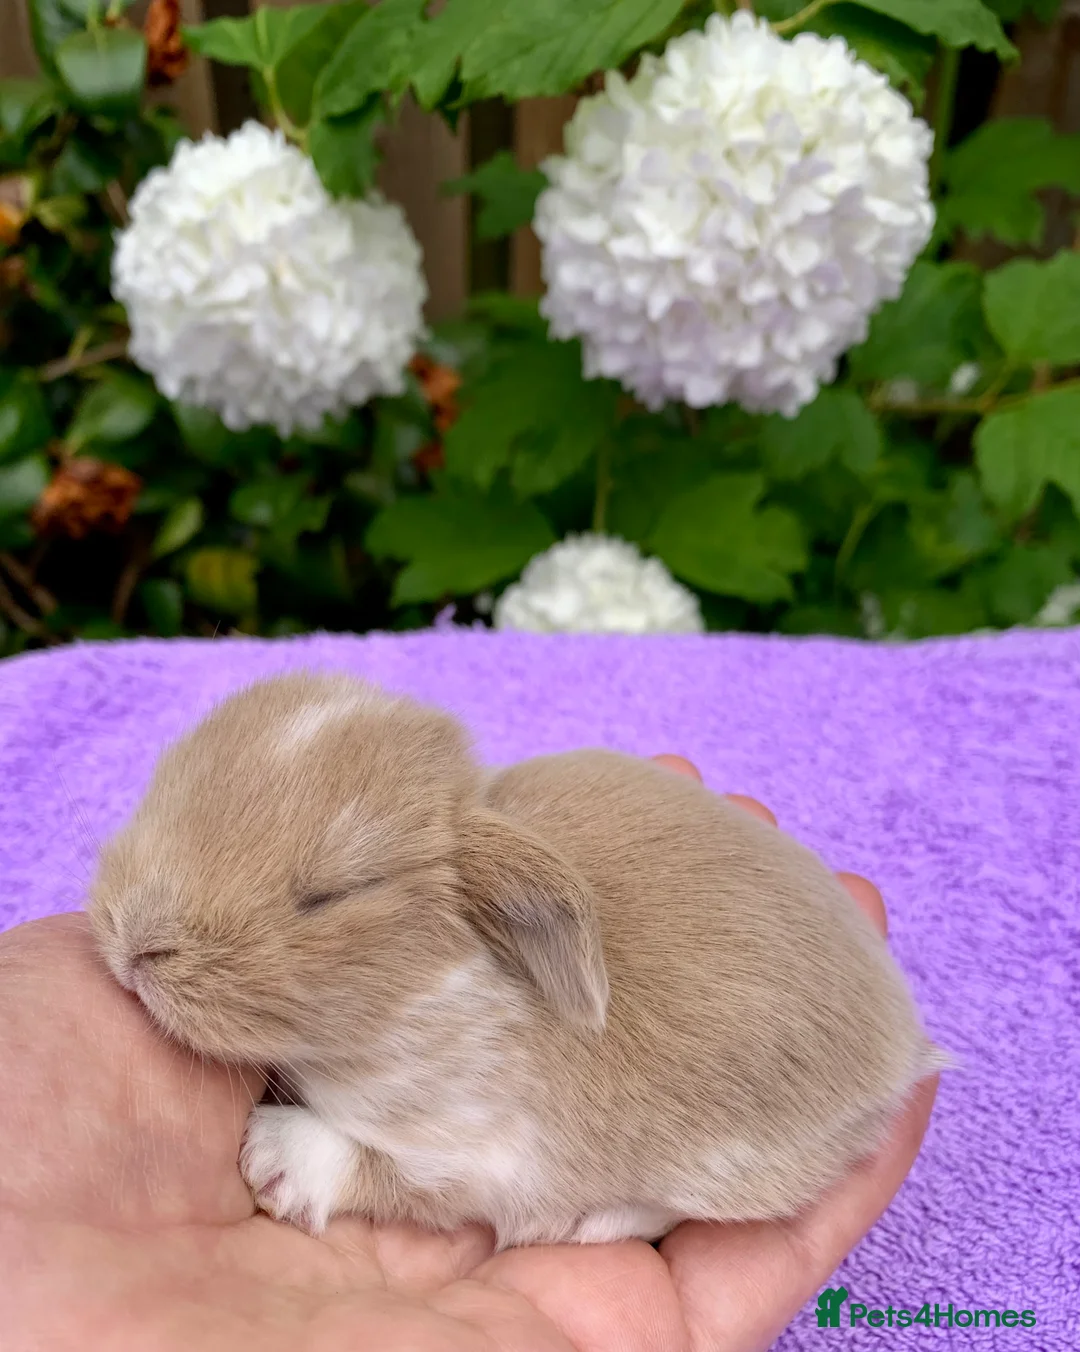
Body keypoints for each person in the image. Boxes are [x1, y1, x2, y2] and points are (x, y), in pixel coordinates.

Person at [0, 755, 938, 1352]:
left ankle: (656, 1187)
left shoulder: (461, 1028)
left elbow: (473, 1164)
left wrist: (347, 1164)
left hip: (809, 1073)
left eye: (319, 902)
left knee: (651, 1122)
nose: (142, 933)